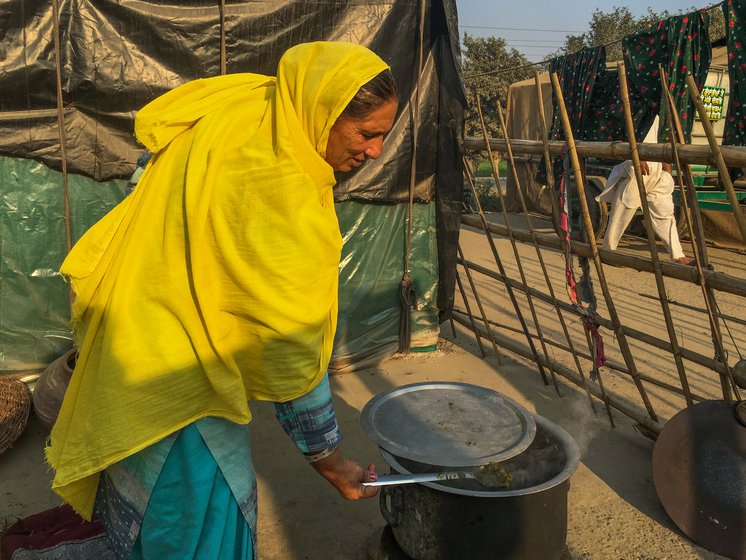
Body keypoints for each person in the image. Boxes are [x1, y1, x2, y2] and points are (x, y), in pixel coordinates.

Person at [46, 41, 398, 559]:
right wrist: (333, 463)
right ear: (320, 110)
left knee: (140, 513)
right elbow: (289, 350)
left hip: (130, 344)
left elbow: (143, 176)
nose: (376, 152)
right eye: (367, 133)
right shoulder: (282, 193)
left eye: (385, 136)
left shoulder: (244, 111)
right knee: (196, 528)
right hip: (181, 387)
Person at [597, 116, 694, 265]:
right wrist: (638, 157)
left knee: (664, 213)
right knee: (623, 209)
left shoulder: (663, 110)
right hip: (637, 166)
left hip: (657, 170)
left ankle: (677, 255)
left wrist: (667, 171)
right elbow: (628, 131)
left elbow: (663, 139)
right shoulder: (638, 106)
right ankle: (609, 250)